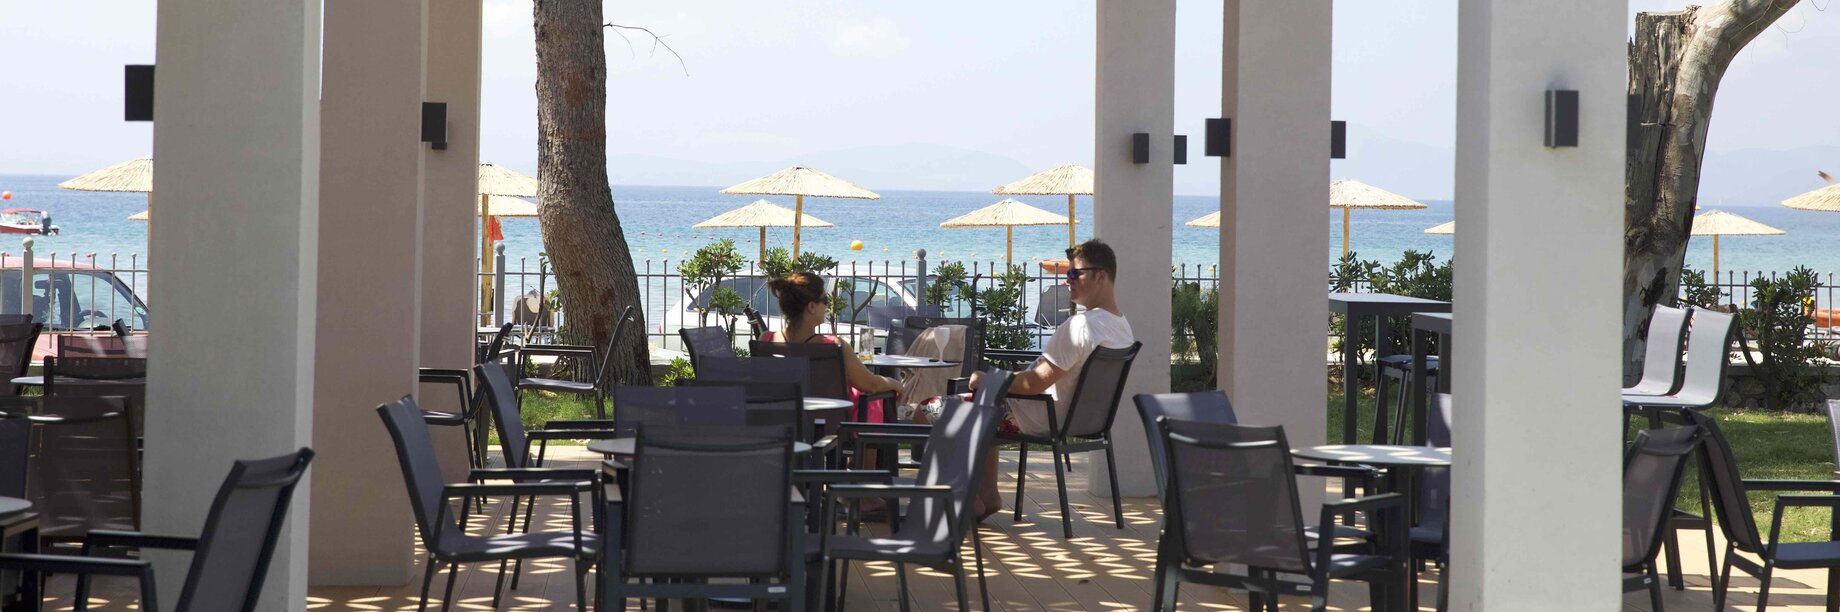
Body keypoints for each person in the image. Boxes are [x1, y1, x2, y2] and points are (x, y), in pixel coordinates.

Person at [916, 239, 1135, 520]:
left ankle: (957, 504)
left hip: (1036, 415)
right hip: (1074, 419)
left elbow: (1035, 384)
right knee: (985, 406)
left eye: (1074, 273)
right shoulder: (1121, 327)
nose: (1067, 280)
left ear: (1100, 275)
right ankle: (988, 495)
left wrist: (991, 379)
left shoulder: (1080, 325)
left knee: (926, 411)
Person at [761, 272, 903, 422]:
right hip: (828, 427)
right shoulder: (835, 346)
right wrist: (896, 384)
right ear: (811, 307)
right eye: (824, 299)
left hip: (782, 423)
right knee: (868, 400)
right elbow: (870, 384)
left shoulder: (765, 340)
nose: (827, 304)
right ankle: (871, 445)